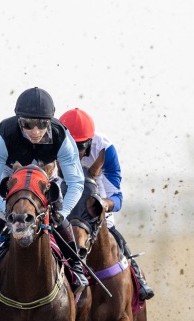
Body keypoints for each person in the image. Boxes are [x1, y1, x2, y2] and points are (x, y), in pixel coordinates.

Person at [0, 87, 88, 298]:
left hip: (45, 179)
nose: (35, 131)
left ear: (50, 122)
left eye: (41, 124)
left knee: (61, 221)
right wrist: (7, 211)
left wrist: (62, 212)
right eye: (28, 124)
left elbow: (76, 182)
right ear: (18, 121)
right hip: (13, 178)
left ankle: (76, 268)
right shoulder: (3, 133)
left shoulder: (62, 136)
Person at [59, 107, 154, 300]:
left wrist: (102, 205)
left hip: (94, 192)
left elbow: (116, 197)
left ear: (91, 141)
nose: (76, 153)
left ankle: (136, 276)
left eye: (82, 146)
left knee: (111, 230)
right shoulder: (50, 146)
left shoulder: (105, 148)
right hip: (64, 192)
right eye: (71, 146)